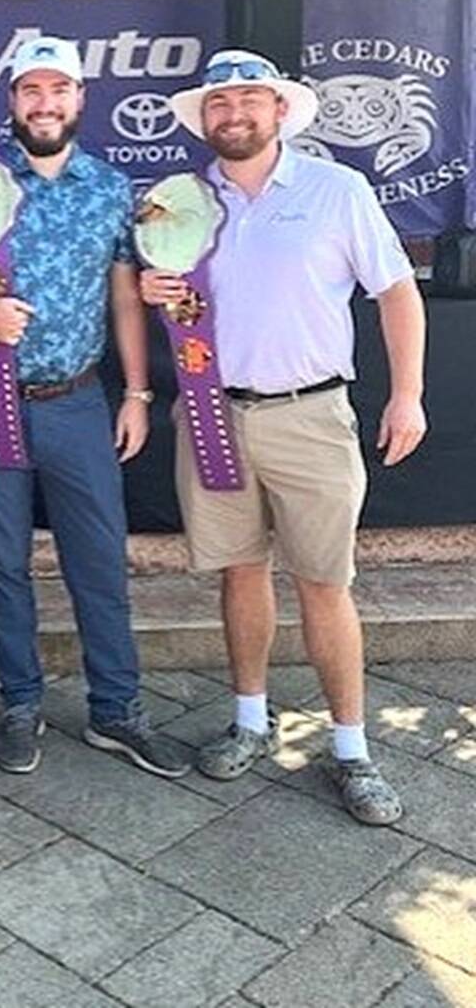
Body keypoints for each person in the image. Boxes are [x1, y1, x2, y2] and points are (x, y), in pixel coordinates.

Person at [142, 48, 427, 825]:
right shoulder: (175, 201)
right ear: (205, 118)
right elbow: (165, 294)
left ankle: (350, 748)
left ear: (278, 111)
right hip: (212, 411)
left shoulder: (338, 190)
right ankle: (248, 720)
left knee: (324, 584)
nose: (233, 114)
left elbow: (397, 292)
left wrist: (408, 395)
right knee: (239, 572)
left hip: (311, 414)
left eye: (248, 101)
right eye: (219, 103)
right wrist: (149, 286)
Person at [0, 35, 188, 778]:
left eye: (59, 91)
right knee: (2, 561)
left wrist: (138, 390)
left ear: (80, 99)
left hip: (76, 400)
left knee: (98, 561)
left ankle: (116, 708)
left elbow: (123, 293)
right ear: (12, 102)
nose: (45, 104)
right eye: (30, 91)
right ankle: (20, 703)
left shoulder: (110, 189)